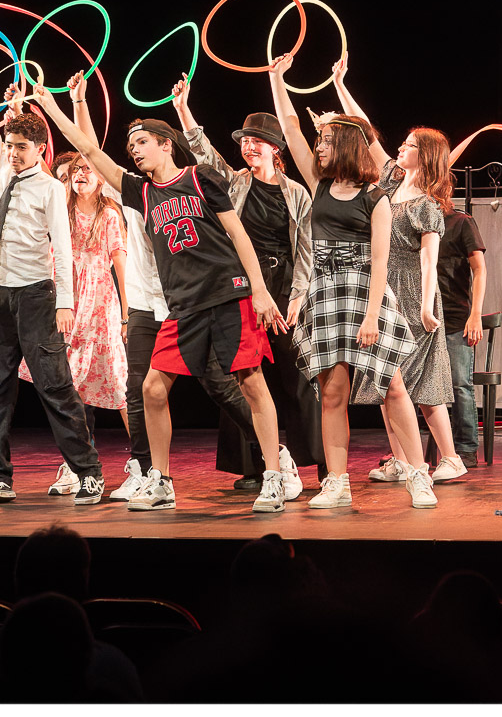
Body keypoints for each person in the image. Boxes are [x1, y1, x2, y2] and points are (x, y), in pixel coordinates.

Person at [33, 81, 289, 513]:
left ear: (166, 144)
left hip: (228, 296)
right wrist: (50, 106)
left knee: (250, 382)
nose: (134, 150)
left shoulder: (199, 177)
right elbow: (91, 152)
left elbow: (237, 234)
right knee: (152, 388)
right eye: (130, 145)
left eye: (141, 142)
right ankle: (162, 480)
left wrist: (261, 291)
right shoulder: (141, 192)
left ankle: (275, 476)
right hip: (183, 306)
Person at [268, 53, 434, 509]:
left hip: (366, 291)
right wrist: (276, 79)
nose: (317, 146)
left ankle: (419, 474)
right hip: (326, 292)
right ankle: (337, 482)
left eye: (325, 140)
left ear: (343, 143)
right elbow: (289, 126)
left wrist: (371, 316)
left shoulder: (375, 196)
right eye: (317, 140)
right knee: (333, 391)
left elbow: (380, 262)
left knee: (392, 384)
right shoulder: (318, 185)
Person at [0, 37, 104, 505]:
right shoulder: (0, 163)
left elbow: (63, 245)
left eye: (21, 146)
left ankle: (88, 472)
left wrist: (65, 302)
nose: (12, 152)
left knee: (56, 388)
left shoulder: (50, 191)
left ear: (40, 149)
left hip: (37, 296)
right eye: (10, 144)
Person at [172, 73, 321, 497]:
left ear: (276, 148)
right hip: (242, 285)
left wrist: (297, 298)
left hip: (284, 286)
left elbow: (306, 251)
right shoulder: (234, 181)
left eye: (257, 141)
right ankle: (257, 465)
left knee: (297, 378)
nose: (248, 147)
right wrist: (184, 110)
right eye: (244, 141)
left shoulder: (296, 193)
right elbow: (204, 154)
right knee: (245, 374)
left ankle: (318, 465)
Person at [330, 58, 464, 481]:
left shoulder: (427, 202)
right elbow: (366, 131)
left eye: (408, 145)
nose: (400, 149)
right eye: (402, 144)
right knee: (387, 379)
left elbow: (430, 260)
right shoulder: (389, 179)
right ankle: (404, 461)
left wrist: (427, 308)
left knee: (422, 385)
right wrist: (340, 85)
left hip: (413, 291)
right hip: (382, 286)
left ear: (424, 155)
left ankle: (451, 458)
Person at [48, 151, 130, 439]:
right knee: (69, 383)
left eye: (87, 169)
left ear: (100, 179)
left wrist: (126, 316)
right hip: (67, 301)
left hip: (98, 304)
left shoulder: (107, 215)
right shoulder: (62, 211)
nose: (80, 174)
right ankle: (78, 458)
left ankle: (146, 457)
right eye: (75, 170)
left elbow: (121, 268)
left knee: (119, 380)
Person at [437, 200, 488, 470]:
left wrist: (475, 314)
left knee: (459, 384)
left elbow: (479, 269)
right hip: (425, 319)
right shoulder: (419, 222)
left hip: (456, 317)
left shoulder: (461, 222)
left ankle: (466, 447)